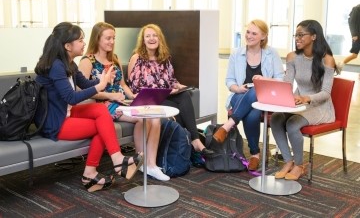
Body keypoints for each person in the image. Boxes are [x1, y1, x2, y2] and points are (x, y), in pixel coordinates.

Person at [34, 22, 143, 192]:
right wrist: (99, 87)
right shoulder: (56, 66)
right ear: (68, 46)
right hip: (55, 122)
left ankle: (115, 161)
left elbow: (85, 84)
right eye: (80, 40)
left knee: (101, 111)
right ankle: (92, 173)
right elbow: (71, 97)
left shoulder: (69, 63)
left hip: (66, 113)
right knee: (103, 126)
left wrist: (103, 81)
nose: (84, 43)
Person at [78, 22, 169, 181]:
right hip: (102, 105)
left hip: (121, 102)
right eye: (108, 38)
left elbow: (122, 85)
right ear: (97, 39)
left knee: (155, 117)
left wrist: (133, 96)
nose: (112, 42)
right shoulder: (87, 61)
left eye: (113, 38)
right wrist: (110, 96)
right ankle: (142, 162)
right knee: (143, 118)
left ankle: (150, 164)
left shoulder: (114, 59)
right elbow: (82, 92)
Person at [127, 23, 214, 156]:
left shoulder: (165, 58)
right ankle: (189, 144)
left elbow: (171, 80)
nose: (151, 39)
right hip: (147, 101)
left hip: (164, 97)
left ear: (159, 38)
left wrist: (179, 86)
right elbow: (134, 86)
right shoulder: (137, 58)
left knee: (184, 96)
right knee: (177, 110)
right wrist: (163, 90)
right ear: (143, 40)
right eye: (148, 36)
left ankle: (195, 141)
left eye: (155, 35)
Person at [212, 19, 285, 171]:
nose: (249, 36)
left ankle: (229, 126)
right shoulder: (236, 54)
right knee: (251, 107)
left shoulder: (271, 54)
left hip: (264, 96)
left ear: (263, 36)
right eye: (248, 32)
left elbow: (280, 79)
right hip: (240, 95)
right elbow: (229, 80)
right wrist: (237, 88)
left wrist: (263, 80)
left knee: (254, 100)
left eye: (254, 33)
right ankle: (255, 154)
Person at [270, 20, 336, 181]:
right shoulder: (292, 57)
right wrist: (280, 93)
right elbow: (287, 84)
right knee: (275, 118)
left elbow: (326, 93)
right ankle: (288, 162)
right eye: (296, 35)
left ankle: (299, 165)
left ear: (314, 36)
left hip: (320, 106)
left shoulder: (327, 59)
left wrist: (307, 98)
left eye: (301, 35)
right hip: (299, 103)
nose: (297, 38)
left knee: (292, 123)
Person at [337, 4, 360, 73]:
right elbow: (351, 22)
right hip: (357, 36)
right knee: (354, 55)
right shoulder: (356, 9)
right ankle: (339, 65)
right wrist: (354, 34)